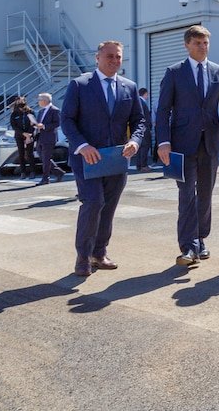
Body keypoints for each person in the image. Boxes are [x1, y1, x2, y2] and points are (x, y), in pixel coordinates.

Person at [61, 41, 145, 277]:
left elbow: (139, 121)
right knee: (93, 202)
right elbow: (67, 120)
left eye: (118, 57)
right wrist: (83, 145)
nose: (114, 61)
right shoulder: (80, 85)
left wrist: (135, 141)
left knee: (108, 207)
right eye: (109, 56)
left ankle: (99, 253)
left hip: (116, 159)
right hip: (88, 158)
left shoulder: (129, 87)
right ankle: (83, 256)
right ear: (97, 58)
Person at [156, 25, 219, 267]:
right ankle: (188, 246)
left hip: (210, 144)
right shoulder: (174, 72)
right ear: (187, 45)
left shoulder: (218, 72)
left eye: (205, 43)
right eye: (197, 43)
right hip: (182, 144)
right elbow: (163, 110)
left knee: (205, 194)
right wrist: (164, 142)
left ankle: (201, 239)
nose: (202, 47)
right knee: (186, 194)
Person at [34, 92, 66, 185]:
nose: (38, 102)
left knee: (46, 158)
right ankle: (58, 172)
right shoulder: (41, 111)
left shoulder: (54, 110)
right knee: (44, 157)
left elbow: (57, 123)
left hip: (49, 137)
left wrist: (44, 126)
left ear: (45, 101)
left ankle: (45, 178)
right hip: (40, 137)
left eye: (39, 100)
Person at [9, 96, 36, 180]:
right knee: (21, 154)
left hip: (30, 135)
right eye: (18, 101)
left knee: (30, 154)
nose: (20, 102)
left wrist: (29, 134)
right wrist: (23, 133)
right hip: (19, 135)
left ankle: (32, 172)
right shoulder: (14, 113)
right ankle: (23, 172)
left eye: (22, 100)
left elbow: (34, 123)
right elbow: (14, 126)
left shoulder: (30, 111)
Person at [136, 88, 153, 172]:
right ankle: (144, 165)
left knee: (139, 147)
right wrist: (149, 126)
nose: (148, 96)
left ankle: (139, 165)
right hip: (144, 127)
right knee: (145, 146)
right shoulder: (142, 102)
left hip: (139, 127)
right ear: (145, 94)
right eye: (147, 94)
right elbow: (145, 116)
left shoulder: (137, 101)